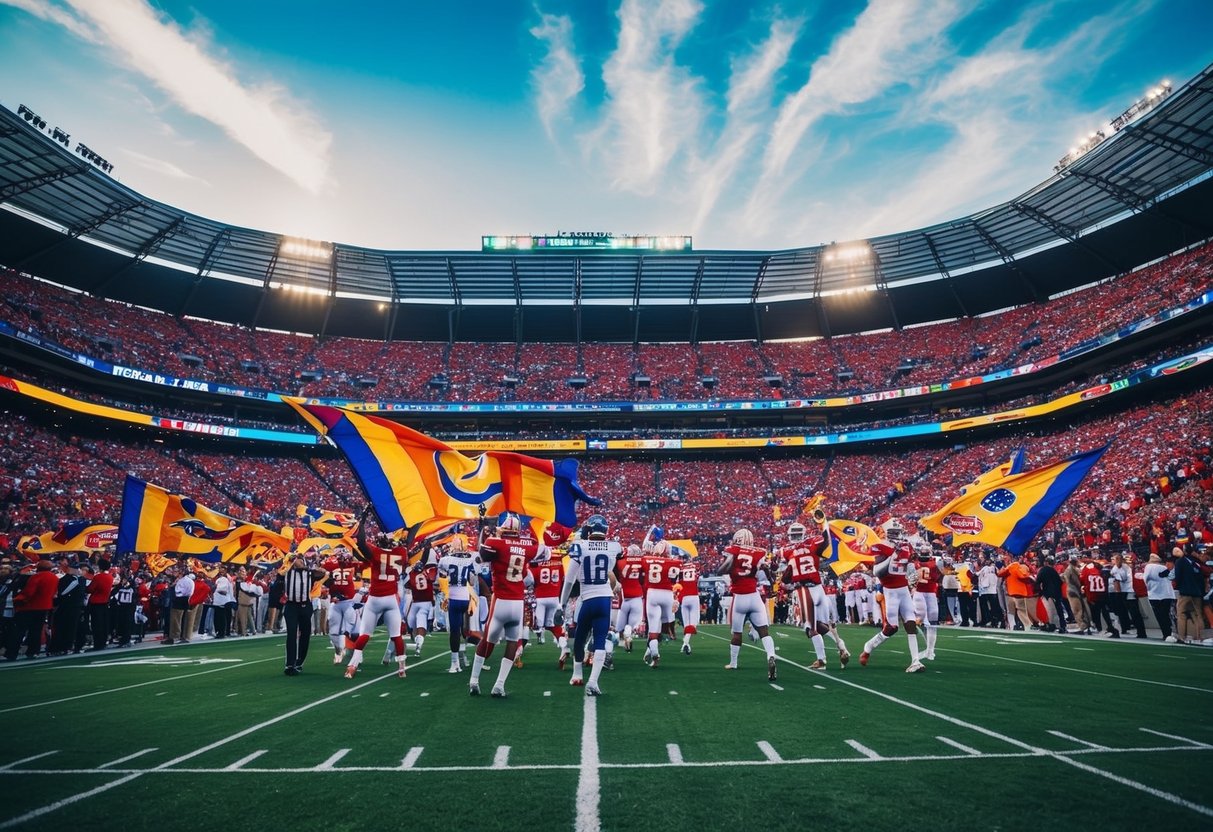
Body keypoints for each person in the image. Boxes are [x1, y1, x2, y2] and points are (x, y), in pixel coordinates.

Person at [469, 511, 548, 697]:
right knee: (513, 642)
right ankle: (499, 684)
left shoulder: (496, 543)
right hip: (517, 603)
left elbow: (481, 555)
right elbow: (545, 552)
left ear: (503, 526)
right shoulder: (528, 545)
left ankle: (474, 680)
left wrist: (489, 533)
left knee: (487, 641)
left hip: (500, 601)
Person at [344, 507, 409, 679]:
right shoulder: (400, 553)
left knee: (365, 634)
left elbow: (360, 542)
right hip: (390, 599)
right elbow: (405, 546)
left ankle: (352, 666)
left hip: (374, 599)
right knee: (396, 636)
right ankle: (402, 668)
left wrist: (363, 521)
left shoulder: (376, 552)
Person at [561, 514, 621, 695]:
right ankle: (593, 682)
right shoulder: (614, 546)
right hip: (604, 599)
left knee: (579, 638)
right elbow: (613, 571)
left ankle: (577, 674)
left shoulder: (579, 545)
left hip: (586, 598)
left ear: (588, 529)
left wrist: (562, 603)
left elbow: (570, 579)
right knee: (600, 640)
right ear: (605, 530)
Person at [778, 522, 849, 669]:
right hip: (819, 589)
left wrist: (785, 581)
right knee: (822, 625)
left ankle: (821, 660)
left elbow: (787, 576)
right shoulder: (812, 543)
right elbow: (825, 542)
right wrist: (824, 528)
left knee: (810, 627)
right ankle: (841, 646)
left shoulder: (787, 550)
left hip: (804, 589)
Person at [860, 524, 926, 673]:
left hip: (903, 590)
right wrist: (891, 557)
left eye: (898, 531)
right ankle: (868, 647)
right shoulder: (881, 546)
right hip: (890, 591)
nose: (897, 534)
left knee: (910, 623)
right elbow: (877, 571)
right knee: (891, 628)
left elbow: (909, 564)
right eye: (894, 532)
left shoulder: (905, 546)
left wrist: (912, 574)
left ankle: (915, 661)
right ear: (888, 533)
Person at [719, 528, 778, 681]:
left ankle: (733, 663)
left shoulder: (732, 551)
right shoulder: (758, 553)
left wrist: (731, 559)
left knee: (737, 634)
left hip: (739, 598)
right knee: (764, 631)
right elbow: (769, 575)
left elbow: (720, 570)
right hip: (755, 597)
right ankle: (771, 656)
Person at [438, 536, 481, 673]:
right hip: (467, 598)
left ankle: (455, 663)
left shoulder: (445, 560)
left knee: (455, 632)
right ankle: (479, 653)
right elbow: (473, 581)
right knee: (466, 631)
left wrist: (445, 596)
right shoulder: (471, 559)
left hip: (454, 598)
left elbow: (442, 580)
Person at [282, 554, 328, 676]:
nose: (297, 562)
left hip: (305, 606)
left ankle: (299, 662)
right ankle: (290, 665)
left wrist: (315, 567)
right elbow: (280, 573)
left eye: (300, 561)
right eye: (295, 560)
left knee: (305, 635)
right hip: (291, 606)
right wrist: (290, 561)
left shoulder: (310, 573)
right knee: (291, 634)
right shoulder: (287, 572)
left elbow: (324, 573)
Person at [641, 537, 682, 668]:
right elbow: (674, 579)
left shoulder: (647, 560)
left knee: (653, 628)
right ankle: (652, 651)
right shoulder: (675, 562)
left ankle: (654, 652)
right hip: (668, 595)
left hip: (653, 594)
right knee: (664, 628)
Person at [321, 551, 360, 662]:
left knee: (351, 630)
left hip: (348, 602)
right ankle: (338, 649)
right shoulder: (332, 565)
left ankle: (355, 654)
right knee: (333, 632)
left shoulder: (351, 565)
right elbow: (322, 572)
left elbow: (361, 565)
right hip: (336, 603)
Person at [613, 543, 646, 652]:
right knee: (631, 625)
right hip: (637, 596)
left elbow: (615, 575)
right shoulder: (641, 562)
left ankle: (621, 640)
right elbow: (643, 579)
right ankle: (628, 633)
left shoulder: (620, 561)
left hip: (624, 596)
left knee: (619, 627)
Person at [48, 560, 86, 655]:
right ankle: (64, 647)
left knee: (64, 628)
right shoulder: (78, 580)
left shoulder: (71, 580)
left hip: (68, 606)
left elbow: (61, 594)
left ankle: (60, 647)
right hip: (71, 606)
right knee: (68, 628)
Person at [1173, 545, 1206, 644]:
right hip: (1197, 592)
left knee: (1181, 614)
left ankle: (1182, 637)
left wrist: (1178, 587)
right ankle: (1199, 638)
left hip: (1185, 592)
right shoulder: (1196, 563)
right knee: (1197, 615)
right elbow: (1201, 578)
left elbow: (1177, 577)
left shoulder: (1180, 561)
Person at [1108, 553, 1145, 638]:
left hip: (1130, 591)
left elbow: (1122, 578)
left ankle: (1141, 632)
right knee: (1122, 611)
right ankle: (1125, 628)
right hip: (1122, 591)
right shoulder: (1116, 567)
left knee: (1134, 613)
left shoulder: (1125, 567)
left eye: (1116, 559)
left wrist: (1115, 574)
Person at [1143, 551, 1177, 642]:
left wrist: (1149, 589)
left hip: (1154, 595)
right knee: (1166, 615)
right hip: (1167, 594)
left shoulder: (1148, 567)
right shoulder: (1164, 567)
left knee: (1159, 616)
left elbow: (1145, 580)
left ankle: (1165, 634)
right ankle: (1170, 633)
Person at [85, 558, 114, 650]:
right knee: (103, 623)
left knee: (96, 624)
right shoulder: (110, 577)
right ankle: (103, 642)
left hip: (96, 603)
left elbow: (90, 589)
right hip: (105, 602)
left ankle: (98, 643)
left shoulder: (98, 577)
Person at [677, 551, 701, 655]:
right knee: (693, 624)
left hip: (684, 598)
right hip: (694, 596)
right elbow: (698, 581)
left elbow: (676, 583)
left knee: (686, 624)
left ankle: (685, 645)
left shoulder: (679, 568)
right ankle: (686, 643)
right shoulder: (695, 567)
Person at [1062, 553, 1092, 634]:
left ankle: (1083, 626)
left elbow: (1069, 581)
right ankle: (1085, 625)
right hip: (1076, 591)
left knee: (1078, 610)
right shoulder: (1073, 569)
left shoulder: (1070, 569)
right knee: (1081, 609)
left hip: (1074, 591)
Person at [166, 565, 194, 645]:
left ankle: (175, 637)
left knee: (175, 620)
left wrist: (174, 587)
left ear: (181, 572)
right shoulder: (188, 580)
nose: (174, 573)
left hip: (179, 600)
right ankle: (182, 636)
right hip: (185, 600)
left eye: (176, 571)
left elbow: (178, 592)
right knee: (183, 620)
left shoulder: (183, 581)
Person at [235, 567, 263, 637]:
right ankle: (252, 631)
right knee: (248, 617)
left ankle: (244, 632)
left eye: (243, 572)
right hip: (246, 601)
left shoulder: (245, 581)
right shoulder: (240, 581)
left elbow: (245, 590)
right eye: (241, 572)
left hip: (244, 602)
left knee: (243, 617)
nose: (242, 573)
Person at [211, 567, 234, 640]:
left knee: (220, 618)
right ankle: (222, 632)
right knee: (221, 617)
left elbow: (223, 591)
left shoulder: (224, 579)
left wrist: (215, 588)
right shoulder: (224, 579)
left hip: (221, 601)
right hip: (220, 601)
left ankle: (221, 633)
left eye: (223, 571)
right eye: (220, 570)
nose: (221, 572)